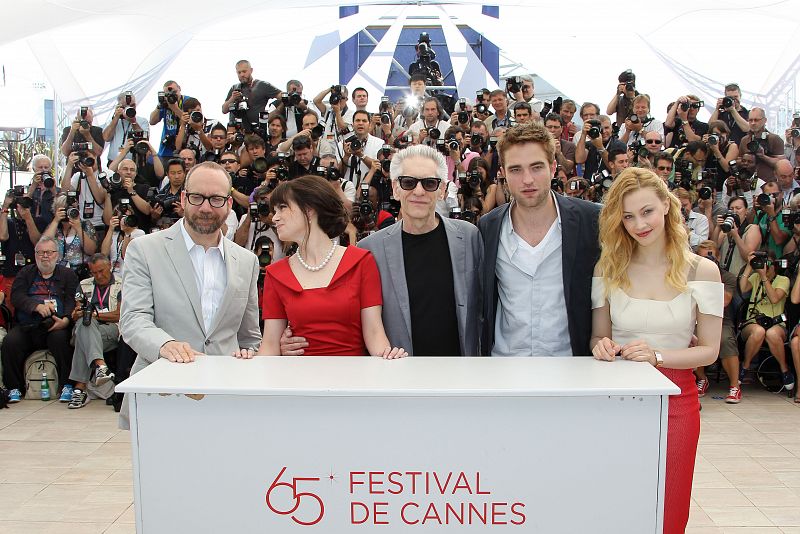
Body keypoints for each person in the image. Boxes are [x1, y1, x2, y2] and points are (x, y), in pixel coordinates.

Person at [590, 167, 723, 534]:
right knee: (615, 504)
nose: (638, 224)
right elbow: (597, 337)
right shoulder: (609, 267)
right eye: (628, 216)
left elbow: (710, 351)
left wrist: (658, 357)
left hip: (678, 402)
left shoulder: (703, 271)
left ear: (667, 205)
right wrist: (601, 346)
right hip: (616, 401)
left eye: (646, 211)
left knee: (670, 508)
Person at [282, 145, 482, 357]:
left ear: (442, 190)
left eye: (430, 183)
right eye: (408, 182)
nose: (419, 191)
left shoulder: (469, 237)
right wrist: (295, 339)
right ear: (395, 188)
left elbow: (485, 306)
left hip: (461, 373)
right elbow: (349, 316)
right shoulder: (370, 249)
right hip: (397, 374)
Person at [119, 162, 263, 428]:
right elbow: (133, 320)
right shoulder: (144, 250)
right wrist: (165, 345)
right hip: (161, 393)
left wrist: (250, 354)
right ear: (184, 198)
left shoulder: (247, 261)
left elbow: (250, 337)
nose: (206, 208)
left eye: (216, 199)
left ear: (229, 204)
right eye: (197, 197)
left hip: (228, 398)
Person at [478, 122, 600, 357]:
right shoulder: (488, 226)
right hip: (504, 368)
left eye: (536, 167)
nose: (527, 180)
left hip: (570, 369)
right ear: (502, 172)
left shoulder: (590, 220)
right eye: (515, 170)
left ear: (553, 167)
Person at [258, 175, 405, 358]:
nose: (275, 218)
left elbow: (374, 333)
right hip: (297, 379)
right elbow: (270, 346)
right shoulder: (276, 274)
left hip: (353, 379)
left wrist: (390, 359)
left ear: (309, 210)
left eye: (282, 208)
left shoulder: (360, 261)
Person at [1, 236, 79, 404]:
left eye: (49, 252)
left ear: (57, 255)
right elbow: (16, 296)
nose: (45, 256)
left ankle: (67, 385)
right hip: (28, 325)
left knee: (61, 340)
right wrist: (36, 307)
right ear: (35, 255)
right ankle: (14, 387)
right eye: (40, 252)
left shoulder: (67, 274)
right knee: (10, 342)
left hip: (56, 325)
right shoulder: (25, 272)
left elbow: (71, 300)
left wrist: (65, 320)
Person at [66, 254, 121, 409]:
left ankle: (79, 389)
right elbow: (77, 310)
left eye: (101, 271)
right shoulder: (84, 285)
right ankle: (100, 366)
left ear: (109, 265)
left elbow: (120, 314)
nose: (98, 275)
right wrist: (78, 313)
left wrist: (94, 315)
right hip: (88, 327)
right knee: (85, 325)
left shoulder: (122, 284)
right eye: (94, 272)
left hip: (111, 328)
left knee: (84, 333)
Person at [694, 241, 742, 404]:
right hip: (695, 319)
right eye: (703, 258)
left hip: (721, 319)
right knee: (691, 340)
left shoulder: (727, 277)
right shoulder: (692, 274)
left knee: (726, 340)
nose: (707, 260)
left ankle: (735, 386)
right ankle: (701, 378)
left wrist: (713, 276)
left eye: (711, 256)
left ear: (718, 256)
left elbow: (724, 301)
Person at [739, 249, 794, 390]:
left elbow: (775, 299)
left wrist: (765, 278)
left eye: (765, 263)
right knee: (759, 331)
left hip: (776, 323)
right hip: (753, 322)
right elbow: (742, 288)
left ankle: (784, 370)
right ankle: (745, 368)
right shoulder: (755, 277)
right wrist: (749, 266)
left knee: (771, 333)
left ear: (773, 264)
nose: (762, 266)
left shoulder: (783, 280)